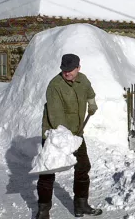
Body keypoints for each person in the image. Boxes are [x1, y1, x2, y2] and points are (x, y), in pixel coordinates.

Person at [36, 54, 101, 218]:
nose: (67, 73)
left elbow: (89, 92)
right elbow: (57, 117)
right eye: (64, 70)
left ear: (78, 68)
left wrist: (92, 103)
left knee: (83, 166)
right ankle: (43, 211)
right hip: (55, 134)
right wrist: (66, 141)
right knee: (48, 171)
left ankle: (81, 204)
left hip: (76, 132)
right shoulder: (55, 86)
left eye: (70, 70)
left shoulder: (83, 79)